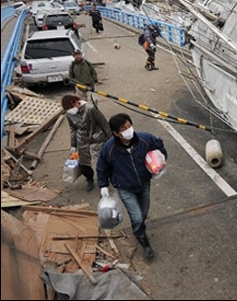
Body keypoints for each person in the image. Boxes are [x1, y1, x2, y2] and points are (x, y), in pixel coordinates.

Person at [97, 113, 167, 260]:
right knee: (137, 216)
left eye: (129, 126)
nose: (129, 130)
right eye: (124, 128)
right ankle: (142, 238)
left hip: (144, 183)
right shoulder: (109, 149)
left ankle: (140, 227)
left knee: (144, 212)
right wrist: (103, 185)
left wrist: (160, 162)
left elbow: (160, 147)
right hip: (124, 187)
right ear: (116, 133)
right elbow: (102, 167)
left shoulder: (145, 139)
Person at [61, 95, 112, 192]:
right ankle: (89, 179)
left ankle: (104, 184)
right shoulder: (69, 114)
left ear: (77, 102)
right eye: (68, 109)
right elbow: (73, 129)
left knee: (100, 163)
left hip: (97, 138)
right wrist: (73, 144)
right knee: (84, 164)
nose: (71, 110)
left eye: (71, 107)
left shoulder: (90, 109)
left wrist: (111, 139)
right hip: (82, 140)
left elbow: (104, 123)